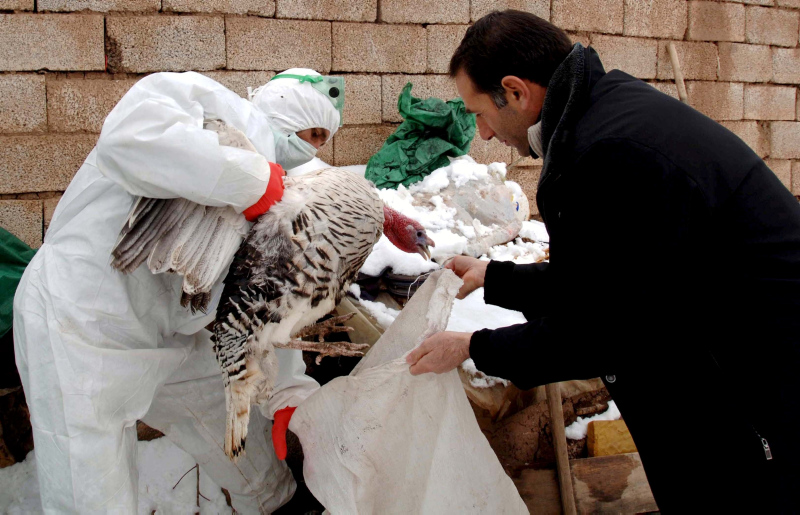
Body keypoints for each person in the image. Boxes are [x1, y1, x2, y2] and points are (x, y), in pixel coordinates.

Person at [406, 10, 799, 512]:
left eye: (479, 112)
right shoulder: (604, 117)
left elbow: (605, 327)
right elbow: (609, 281)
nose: (481, 134)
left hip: (756, 403)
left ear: (516, 91)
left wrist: (472, 347)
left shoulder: (612, 152)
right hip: (721, 376)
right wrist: (496, 277)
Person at [13, 68, 342, 513]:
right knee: (88, 483)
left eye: (323, 139)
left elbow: (266, 302)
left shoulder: (286, 190)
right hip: (82, 319)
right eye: (314, 130)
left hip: (178, 329)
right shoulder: (199, 98)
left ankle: (278, 506)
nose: (313, 147)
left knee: (232, 431)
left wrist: (289, 391)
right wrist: (253, 181)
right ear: (288, 105)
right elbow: (129, 140)